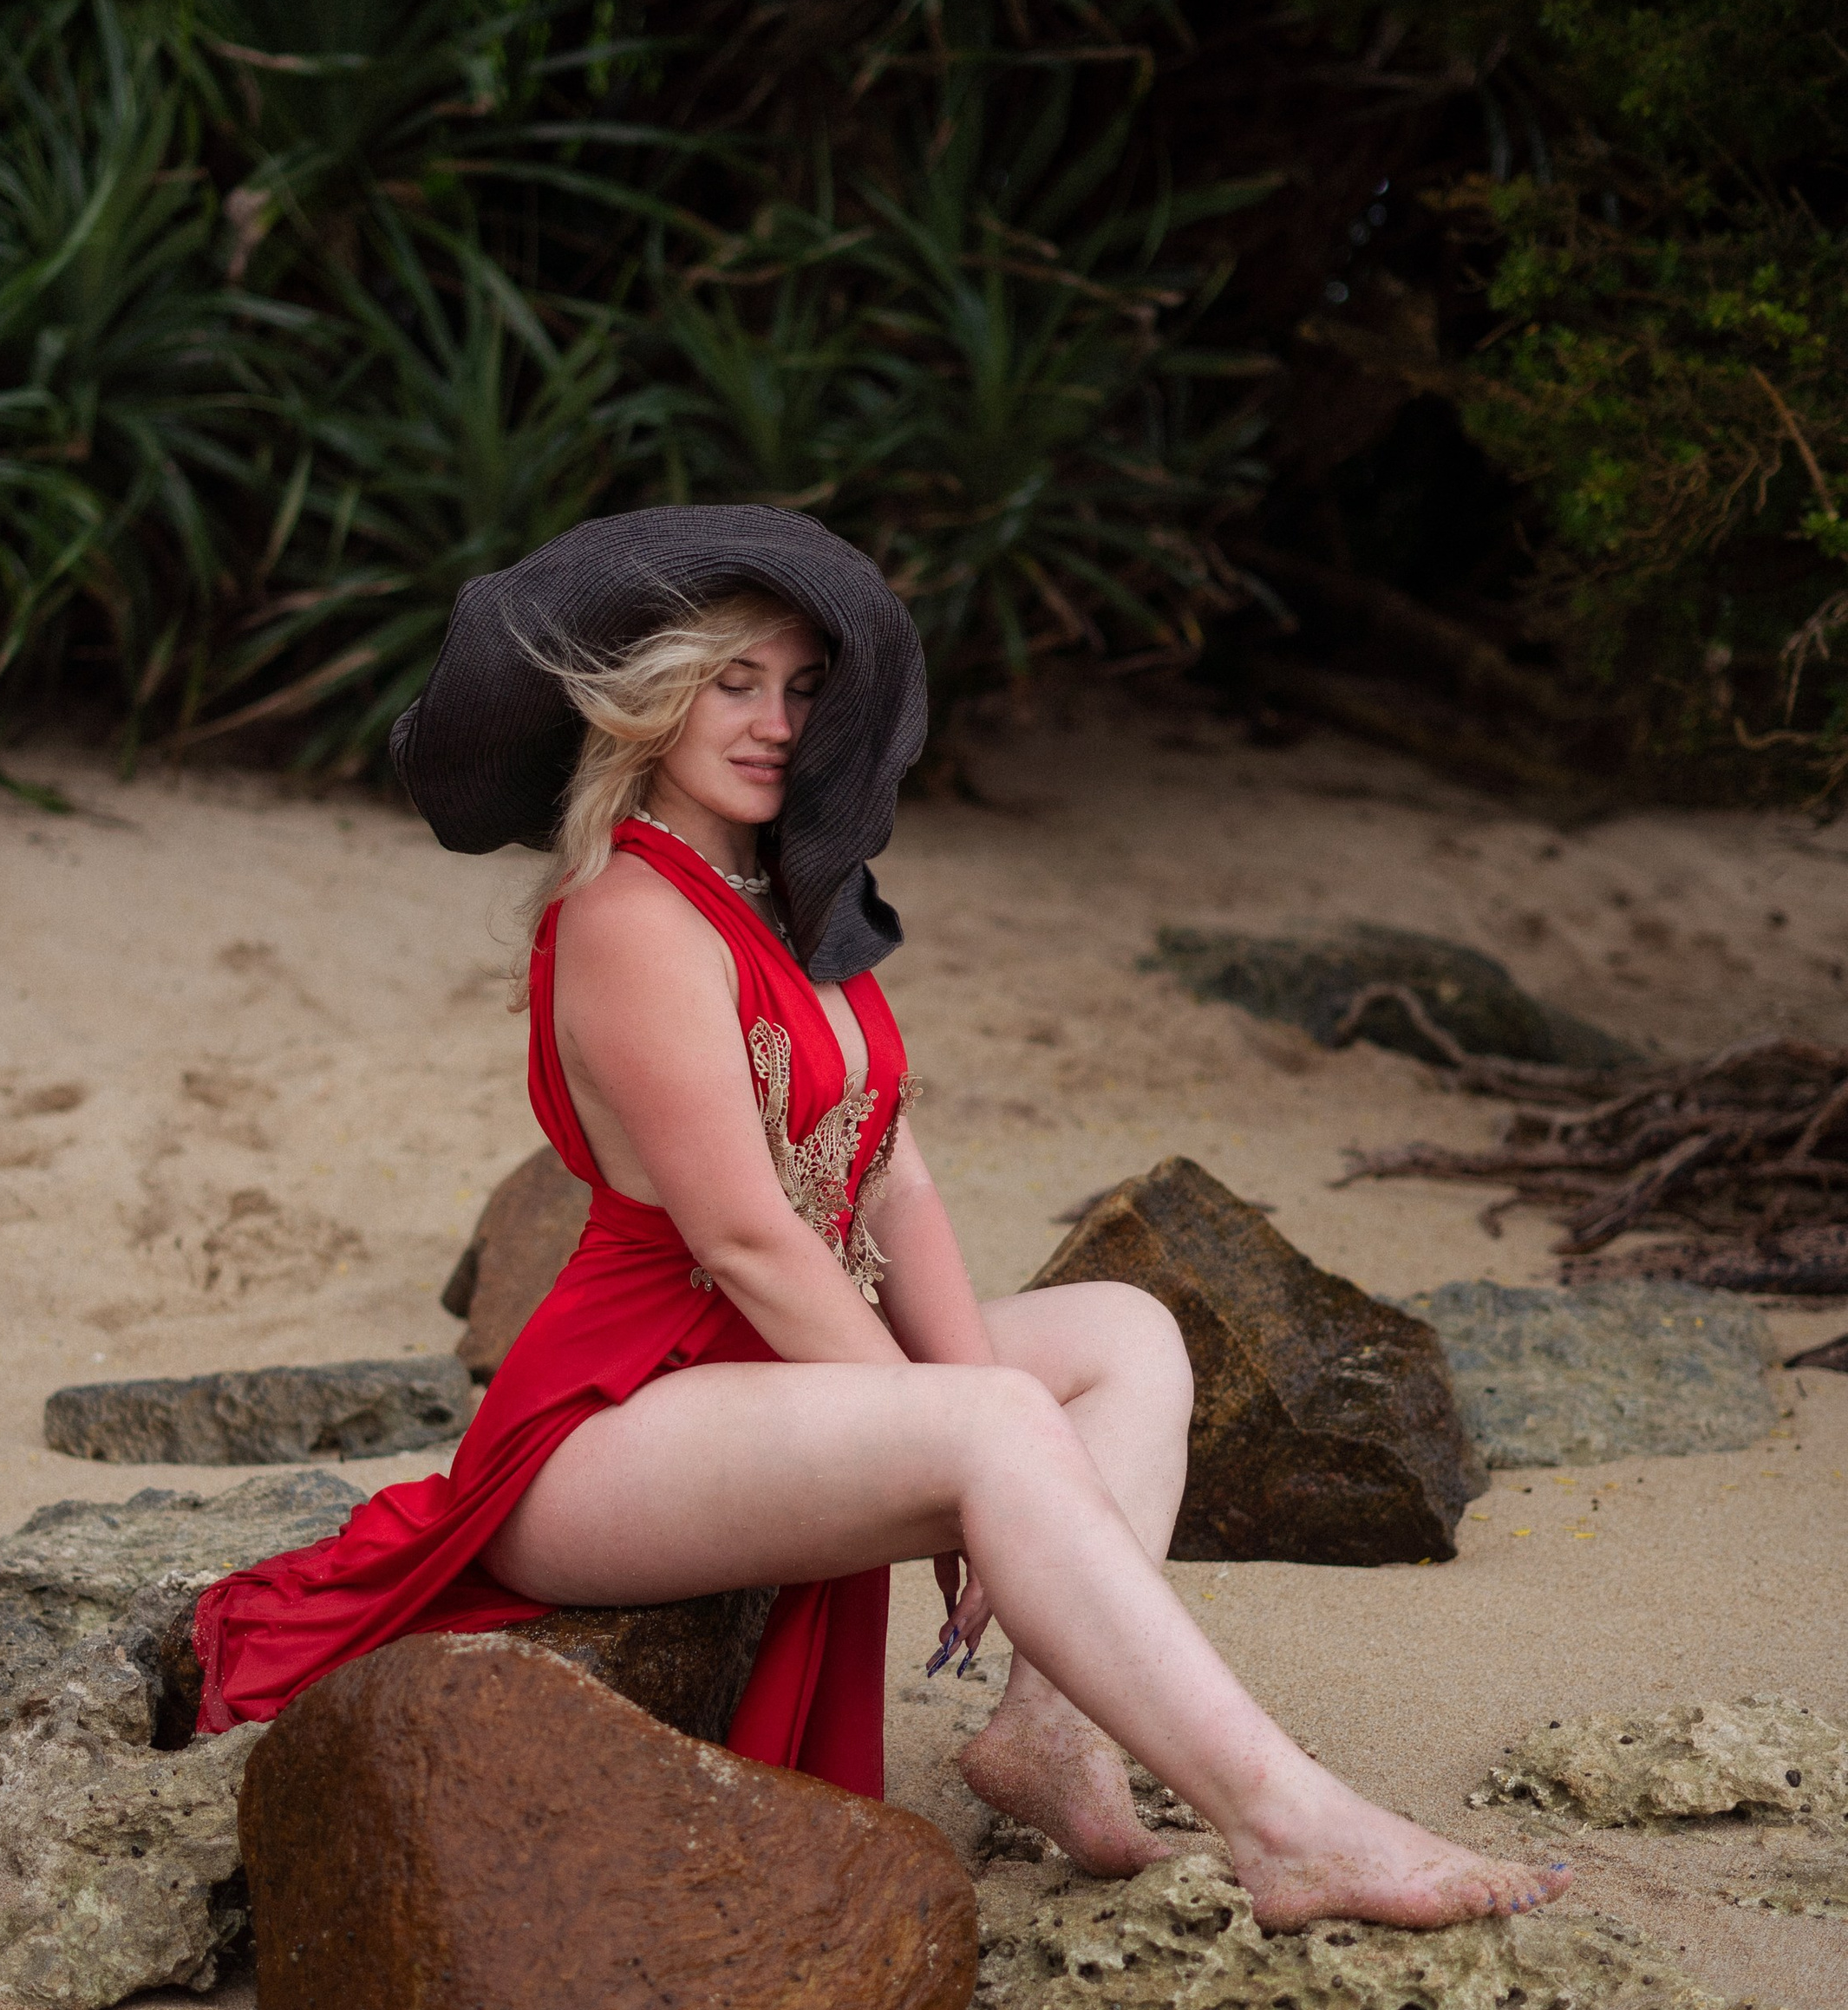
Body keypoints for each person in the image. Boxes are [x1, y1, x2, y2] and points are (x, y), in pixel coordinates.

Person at [193, 505, 1567, 1933]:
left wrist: (955, 1406)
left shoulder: (794, 896)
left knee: (1127, 1334)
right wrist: (944, 1447)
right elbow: (740, 1239)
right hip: (610, 1418)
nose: (776, 721)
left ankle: (1051, 1732)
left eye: (802, 688)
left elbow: (893, 1178)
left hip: (765, 1376)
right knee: (994, 1425)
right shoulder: (627, 915)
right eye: (734, 683)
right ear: (649, 693)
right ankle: (1291, 1827)